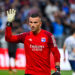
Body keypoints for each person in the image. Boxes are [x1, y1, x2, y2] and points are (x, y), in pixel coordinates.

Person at [5, 9, 61, 75]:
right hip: (29, 73)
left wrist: (57, 69)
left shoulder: (48, 36)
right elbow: (9, 38)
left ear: (40, 24)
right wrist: (9, 23)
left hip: (44, 73)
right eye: (31, 22)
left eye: (35, 22)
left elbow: (56, 53)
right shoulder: (25, 36)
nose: (32, 25)